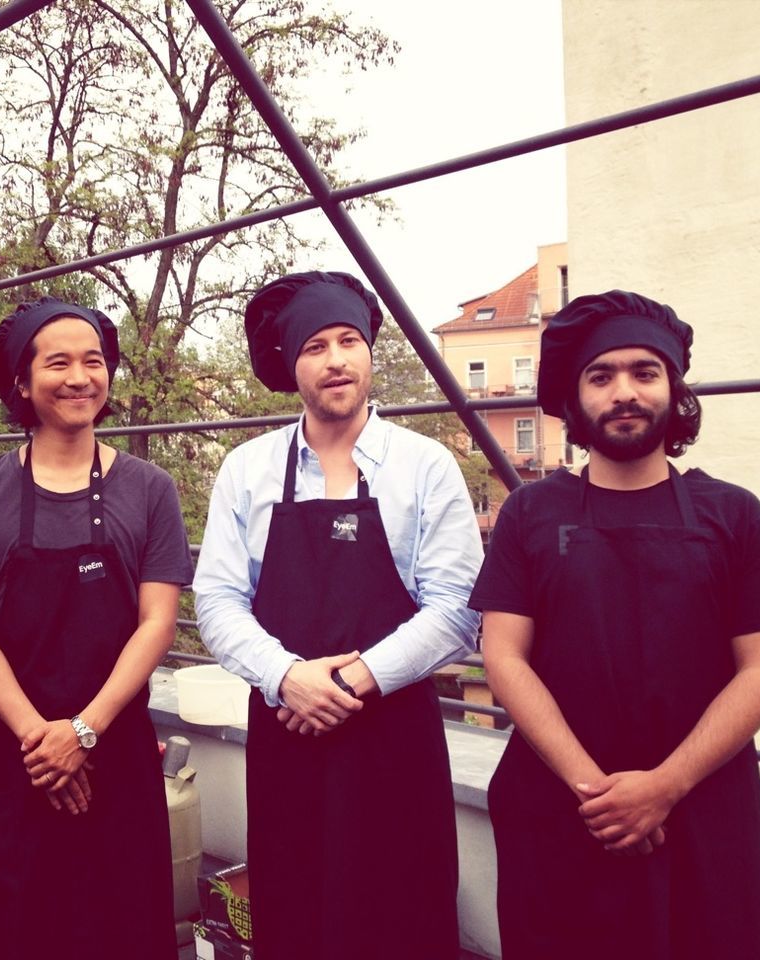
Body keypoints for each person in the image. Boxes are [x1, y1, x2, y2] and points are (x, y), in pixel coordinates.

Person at [470, 290, 760, 959]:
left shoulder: (735, 515)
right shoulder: (530, 514)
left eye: (643, 373)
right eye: (601, 376)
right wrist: (595, 791)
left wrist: (665, 786)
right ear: (575, 400)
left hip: (700, 813)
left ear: (673, 391)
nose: (623, 391)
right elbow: (503, 656)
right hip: (559, 810)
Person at [193, 271, 483, 960]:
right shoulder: (247, 469)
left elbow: (456, 608)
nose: (336, 359)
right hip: (287, 734)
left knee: (402, 916)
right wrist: (287, 676)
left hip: (394, 737)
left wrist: (350, 683)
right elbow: (217, 599)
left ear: (370, 351)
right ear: (292, 366)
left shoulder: (426, 466)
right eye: (315, 345)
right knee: (297, 914)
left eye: (349, 340)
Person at [0, 295, 192, 959]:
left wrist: (83, 733)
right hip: (10, 757)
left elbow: (157, 624)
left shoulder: (150, 488)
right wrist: (42, 742)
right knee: (14, 927)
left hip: (118, 752)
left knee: (121, 927)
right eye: (58, 363)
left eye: (94, 361)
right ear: (21, 382)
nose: (80, 377)